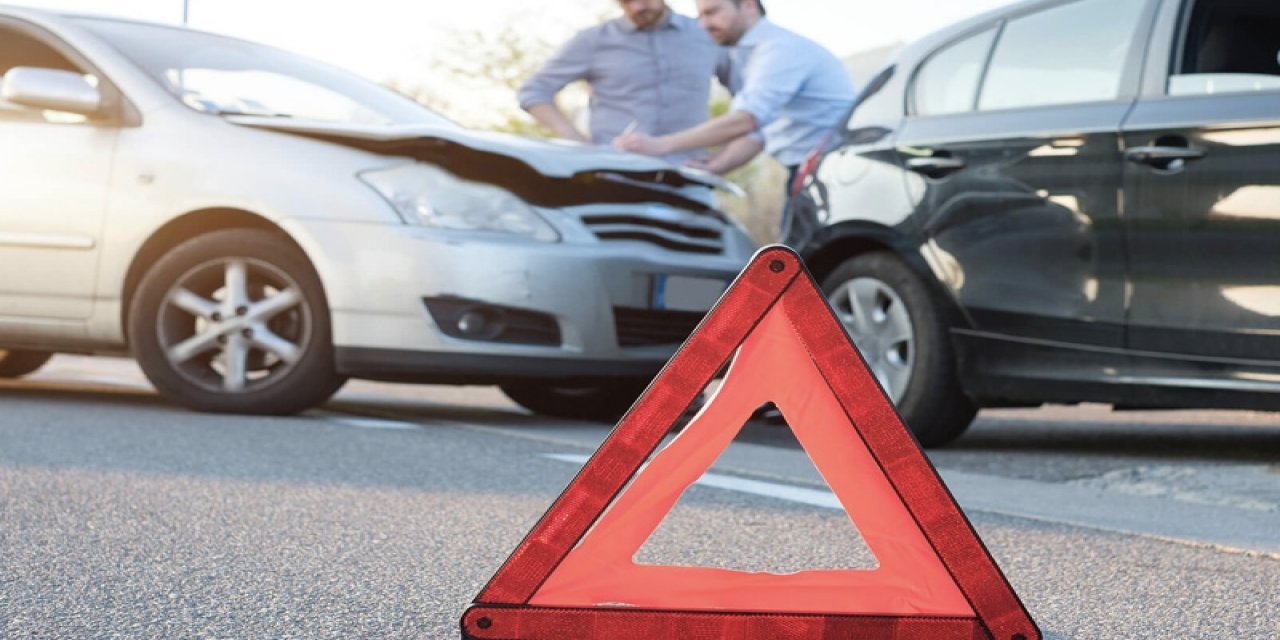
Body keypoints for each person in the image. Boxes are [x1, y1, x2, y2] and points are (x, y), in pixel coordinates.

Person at [613, 0, 856, 184]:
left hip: (834, 170)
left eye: (711, 12)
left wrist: (659, 145)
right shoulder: (750, 55)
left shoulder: (780, 50)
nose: (703, 25)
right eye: (700, 15)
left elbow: (745, 121)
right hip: (809, 170)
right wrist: (715, 165)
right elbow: (759, 133)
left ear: (748, 5)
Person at [517, 0, 728, 163]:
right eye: (626, 1)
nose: (637, 8)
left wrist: (722, 159)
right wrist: (580, 145)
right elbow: (533, 91)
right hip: (615, 174)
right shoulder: (593, 40)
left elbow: (745, 99)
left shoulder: (706, 35)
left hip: (690, 175)